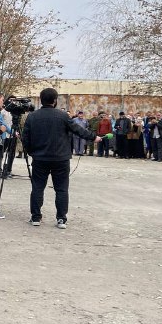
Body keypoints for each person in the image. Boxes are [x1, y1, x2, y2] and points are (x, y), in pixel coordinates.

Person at [21, 88, 101, 229]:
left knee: (38, 188)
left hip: (40, 158)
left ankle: (35, 217)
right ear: (54, 100)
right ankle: (61, 219)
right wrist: (93, 137)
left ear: (41, 100)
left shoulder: (32, 116)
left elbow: (25, 137)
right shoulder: (63, 116)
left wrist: (31, 152)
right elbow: (78, 130)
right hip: (61, 158)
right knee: (62, 189)